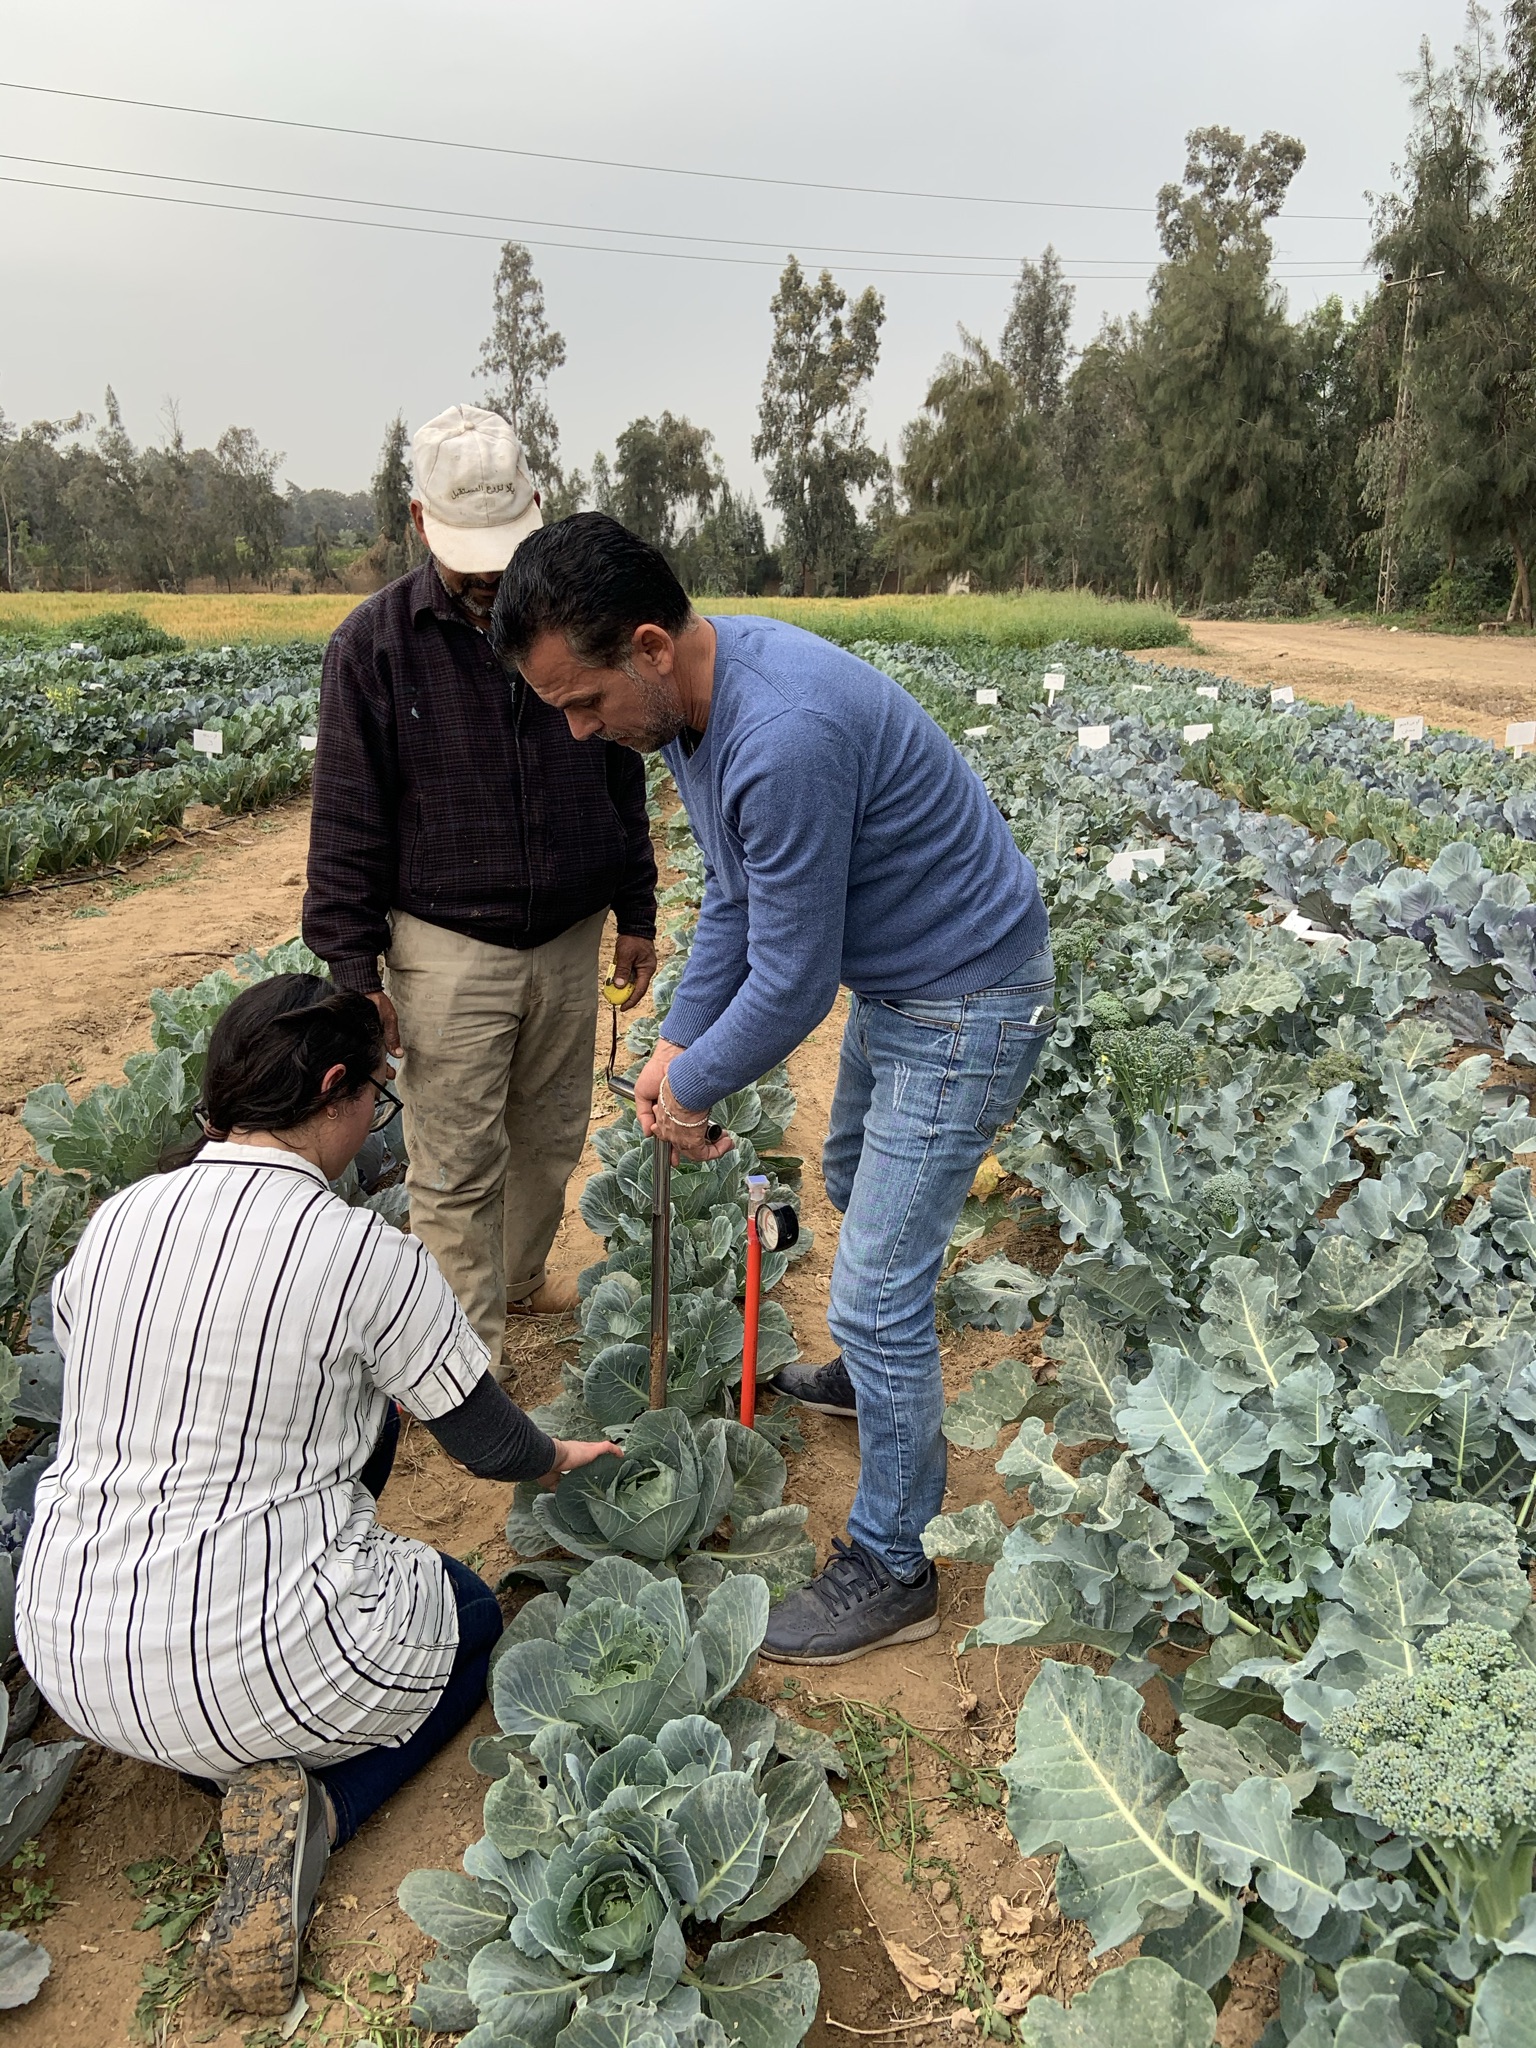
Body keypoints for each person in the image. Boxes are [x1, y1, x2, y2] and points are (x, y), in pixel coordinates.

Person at [492, 515, 1054, 1666]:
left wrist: (690, 1088)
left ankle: (895, 1560)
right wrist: (676, 1042)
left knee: (877, 1284)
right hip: (905, 984)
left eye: (582, 700)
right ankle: (875, 1371)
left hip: (969, 992)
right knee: (851, 1180)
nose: (579, 728)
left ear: (649, 644)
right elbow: (744, 909)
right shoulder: (694, 718)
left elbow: (795, 983)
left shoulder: (780, 732)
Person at [15, 974, 620, 2017]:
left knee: (350, 1418)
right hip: (247, 1666)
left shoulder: (118, 1218)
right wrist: (559, 1456)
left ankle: (228, 1757)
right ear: (337, 1087)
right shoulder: (357, 1248)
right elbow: (482, 1438)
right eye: (375, 1098)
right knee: (474, 1620)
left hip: (68, 1649)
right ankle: (324, 1805)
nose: (373, 1119)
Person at [303, 405, 658, 1367]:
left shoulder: (578, 625)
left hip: (572, 935)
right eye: (467, 552)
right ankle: (468, 1367)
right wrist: (351, 966)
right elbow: (346, 818)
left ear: (538, 510)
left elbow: (621, 759)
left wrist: (637, 907)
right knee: (454, 1164)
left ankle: (509, 1283)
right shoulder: (373, 646)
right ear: (420, 522)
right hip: (447, 948)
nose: (489, 573)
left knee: (548, 1139)